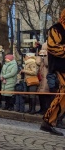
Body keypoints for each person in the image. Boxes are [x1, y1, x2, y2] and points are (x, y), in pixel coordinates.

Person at [40, 8, 65, 136]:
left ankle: (49, 121)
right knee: (63, 92)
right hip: (61, 66)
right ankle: (49, 120)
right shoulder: (56, 28)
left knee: (63, 94)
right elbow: (53, 47)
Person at [36, 45, 50, 115]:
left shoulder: (49, 55)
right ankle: (42, 108)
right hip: (41, 76)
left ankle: (46, 109)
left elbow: (47, 64)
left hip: (46, 76)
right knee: (40, 94)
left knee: (46, 93)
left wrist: (45, 56)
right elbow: (37, 62)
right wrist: (39, 55)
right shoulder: (42, 54)